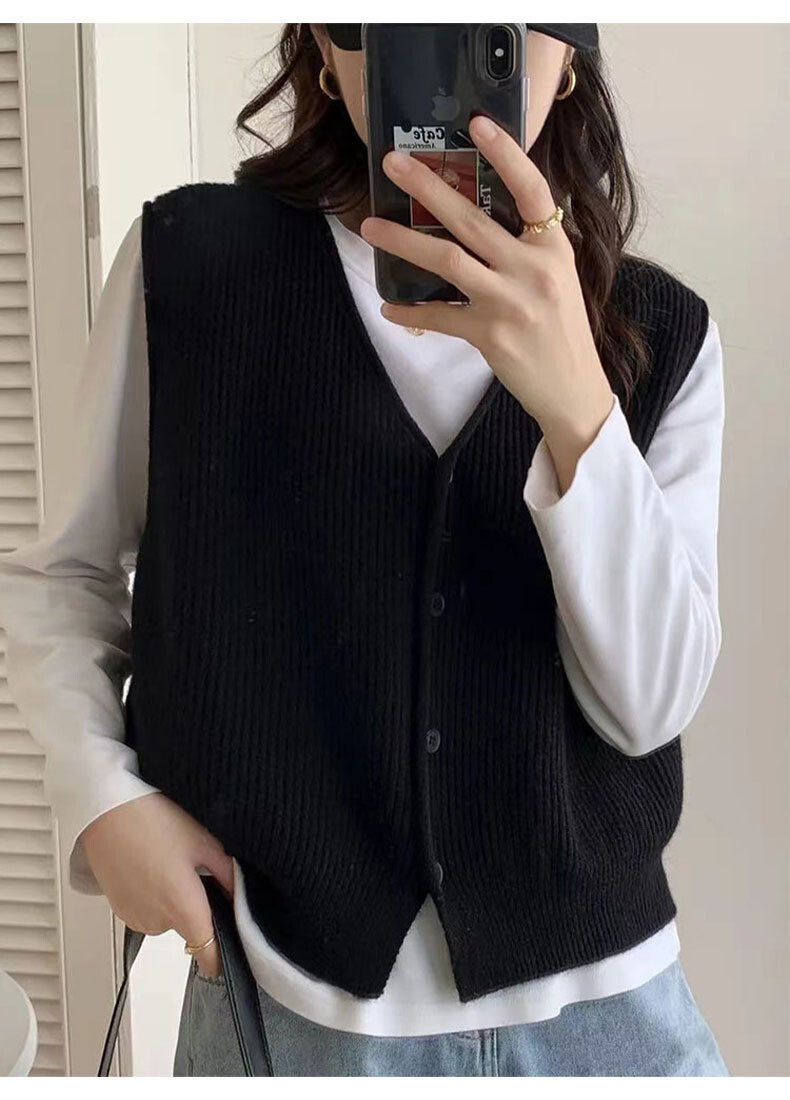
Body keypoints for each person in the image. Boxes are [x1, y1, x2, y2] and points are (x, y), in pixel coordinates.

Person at [0, 23, 729, 1076]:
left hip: (611, 1022)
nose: (437, 37)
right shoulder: (190, 266)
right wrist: (102, 799)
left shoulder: (664, 332)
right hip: (286, 1010)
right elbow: (66, 576)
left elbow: (651, 702)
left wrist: (578, 405)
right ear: (323, 46)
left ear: (568, 53)